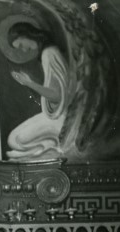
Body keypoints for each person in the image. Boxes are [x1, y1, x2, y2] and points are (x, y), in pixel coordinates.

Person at [5, 25, 74, 160]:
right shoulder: (49, 52)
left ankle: (50, 151)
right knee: (13, 139)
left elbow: (57, 95)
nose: (23, 49)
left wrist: (29, 83)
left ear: (25, 34)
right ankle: (48, 148)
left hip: (61, 118)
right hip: (57, 116)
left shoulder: (49, 54)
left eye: (20, 44)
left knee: (15, 140)